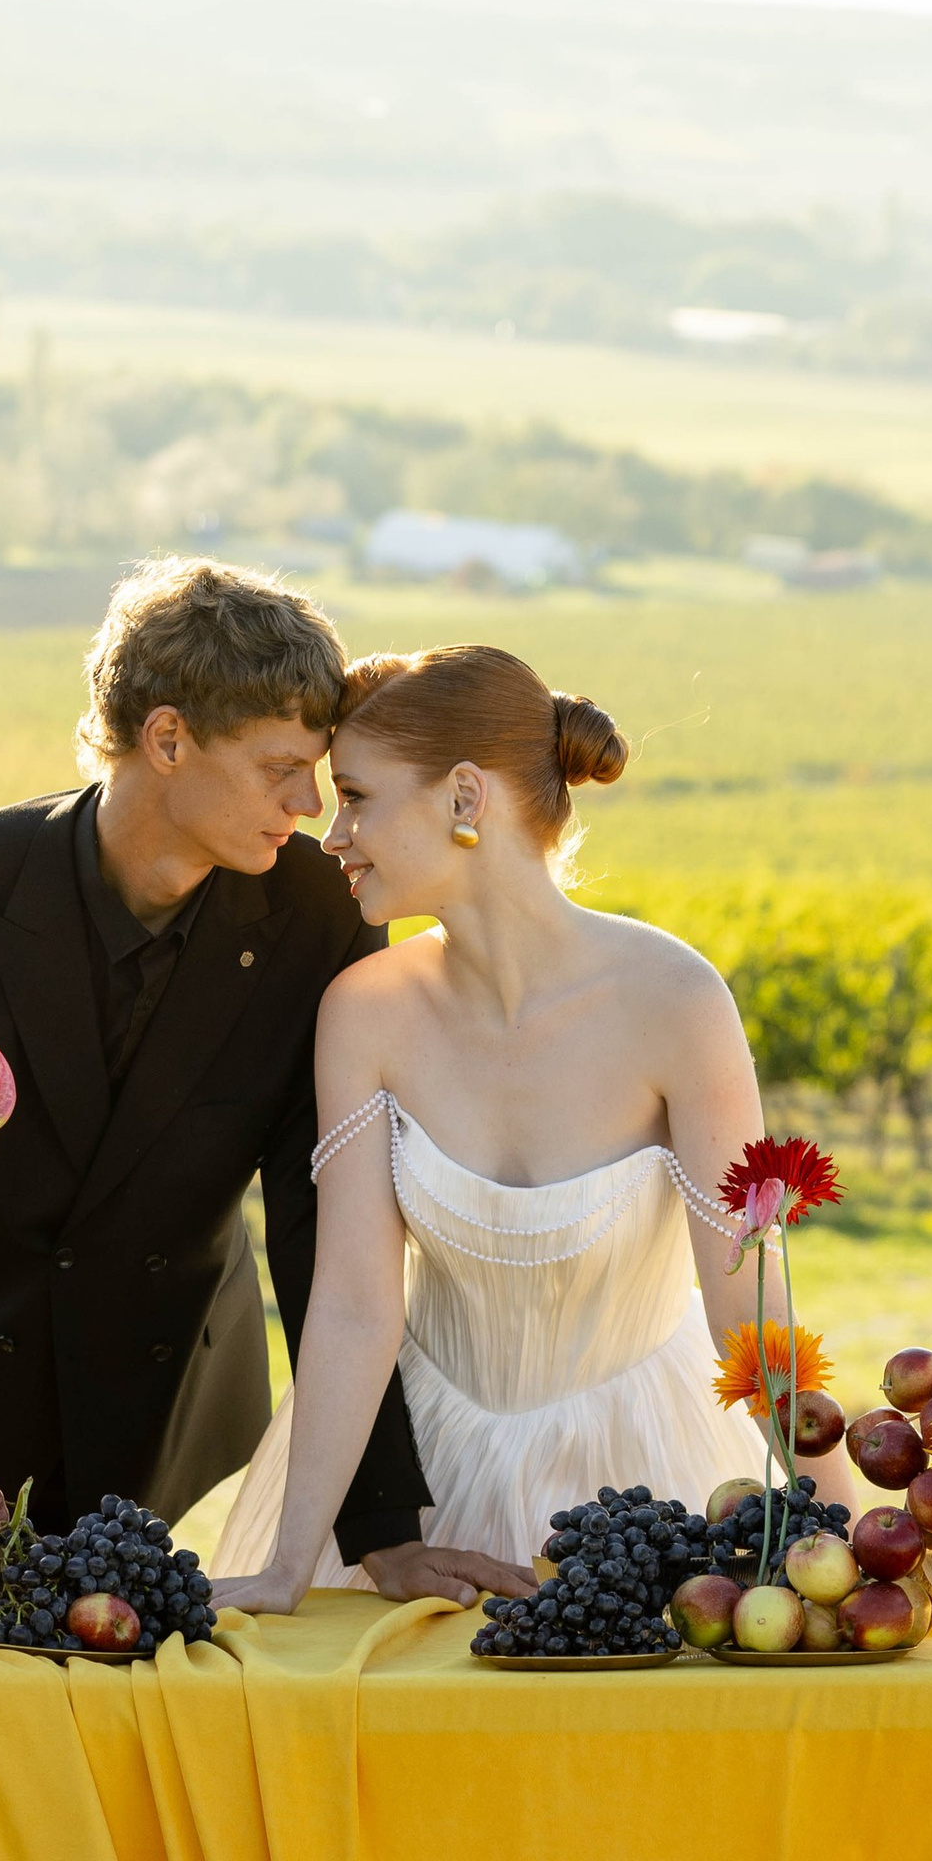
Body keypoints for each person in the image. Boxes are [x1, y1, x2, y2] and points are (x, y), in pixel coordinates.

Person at [0, 559, 532, 1601]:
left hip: (165, 1391)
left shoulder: (321, 915)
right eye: (281, 766)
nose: (312, 805)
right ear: (170, 738)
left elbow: (325, 1215)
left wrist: (382, 1527)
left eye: (317, 768)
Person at [212, 643, 820, 1608]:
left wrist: (844, 1524)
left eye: (359, 797)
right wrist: (288, 1568)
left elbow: (747, 1301)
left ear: (464, 797)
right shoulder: (363, 1014)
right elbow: (356, 1308)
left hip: (651, 1479)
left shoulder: (676, 1001)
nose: (333, 834)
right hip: (430, 1493)